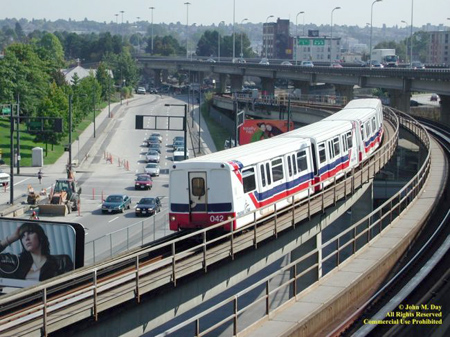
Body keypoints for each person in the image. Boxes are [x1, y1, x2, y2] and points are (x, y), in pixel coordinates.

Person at [0, 222, 74, 282]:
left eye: (30, 233)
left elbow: (69, 286)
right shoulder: (16, 263)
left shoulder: (62, 261)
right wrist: (10, 239)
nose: (26, 238)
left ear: (40, 236)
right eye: (23, 236)